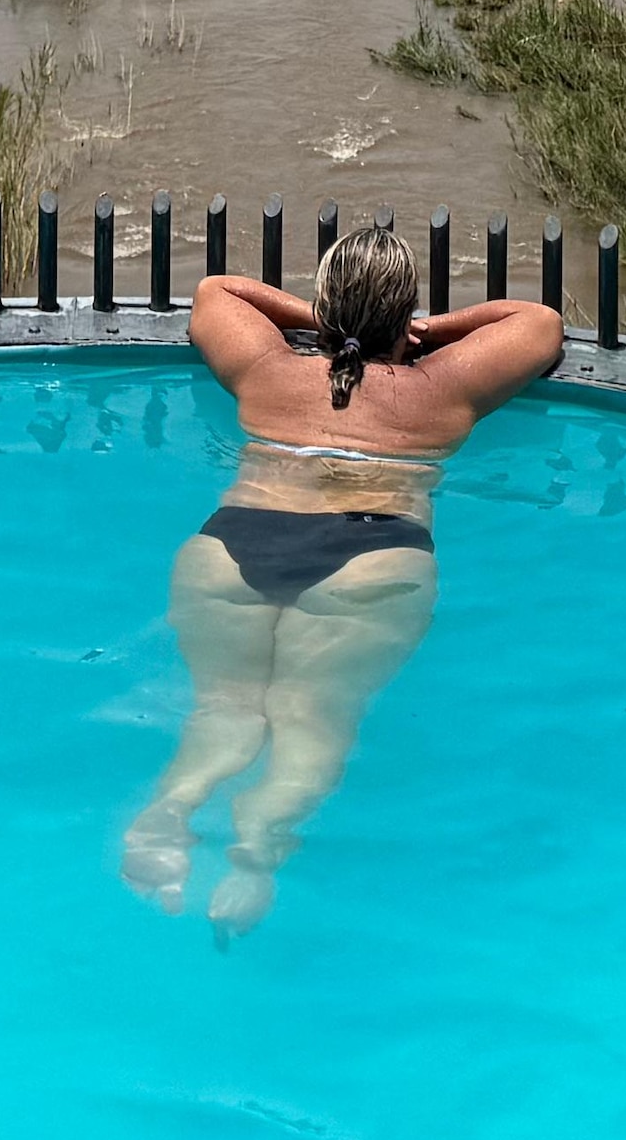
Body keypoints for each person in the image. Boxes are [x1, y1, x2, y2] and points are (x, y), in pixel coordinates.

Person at [121, 220, 565, 936]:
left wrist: (321, 322)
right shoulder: (439, 389)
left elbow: (214, 294)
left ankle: (170, 809)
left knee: (225, 709)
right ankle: (255, 853)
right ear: (405, 314)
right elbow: (538, 323)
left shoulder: (269, 371)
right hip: (373, 553)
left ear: (326, 304)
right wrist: (422, 331)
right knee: (309, 719)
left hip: (235, 542)